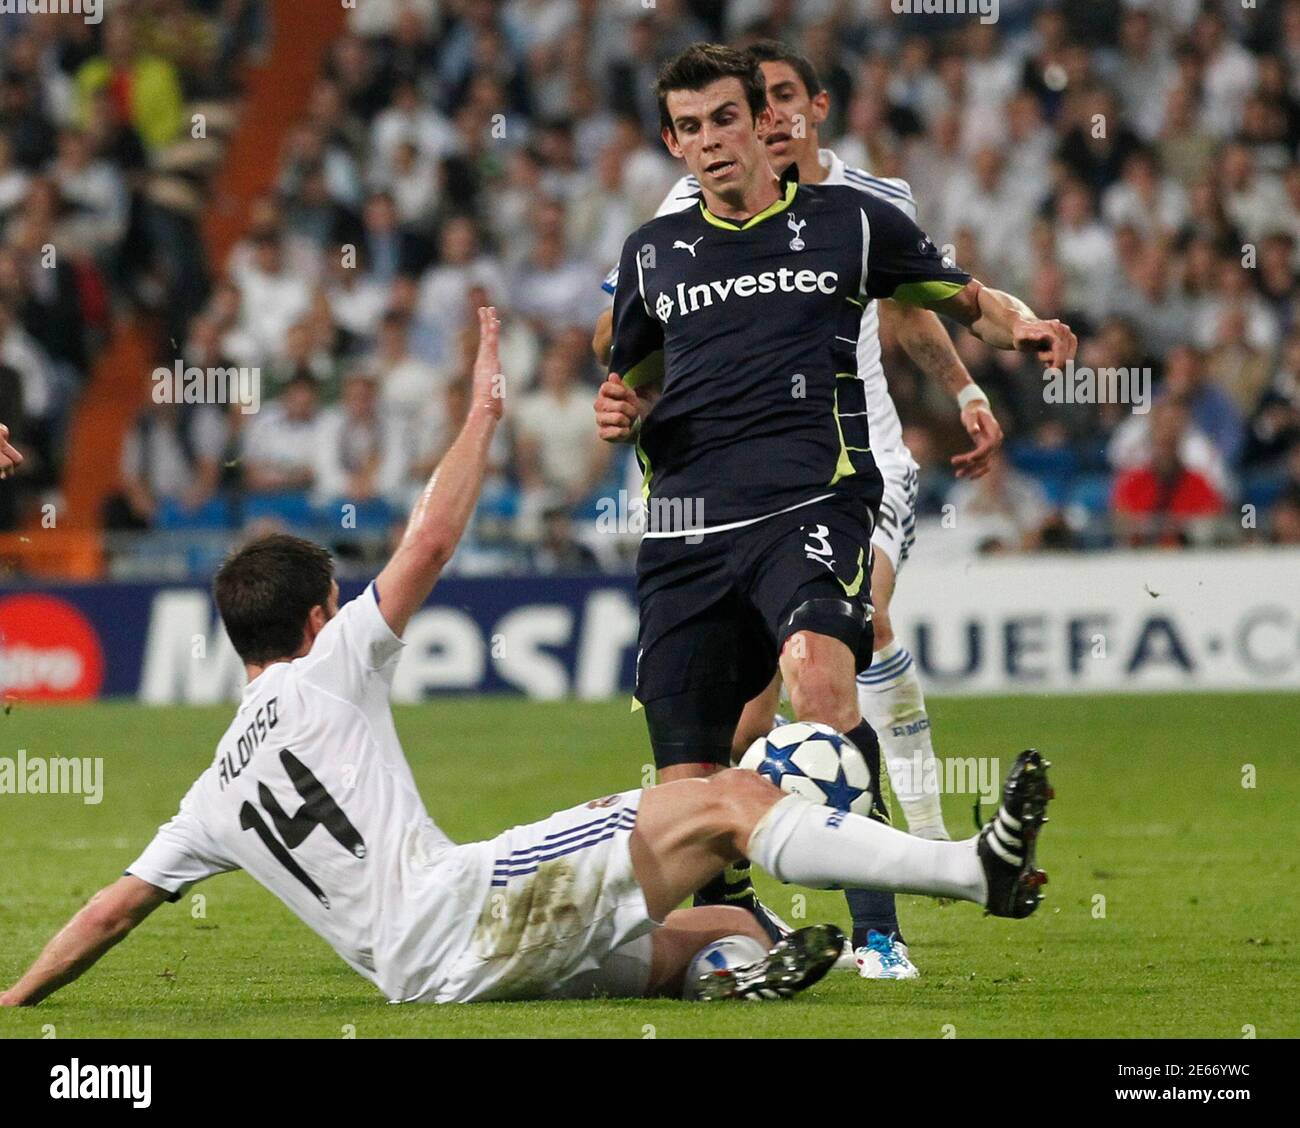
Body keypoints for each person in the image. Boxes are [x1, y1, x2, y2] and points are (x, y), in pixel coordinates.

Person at [0, 314, 1051, 1008]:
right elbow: (428, 542)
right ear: (321, 617)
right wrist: (481, 414)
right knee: (728, 798)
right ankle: (971, 870)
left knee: (721, 921)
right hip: (468, 907)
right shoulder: (333, 668)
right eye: (340, 599)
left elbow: (110, 911)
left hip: (424, 978)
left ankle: (732, 979)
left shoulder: (209, 793)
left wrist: (12, 1001)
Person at [592, 44, 1074, 975]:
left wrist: (1024, 329)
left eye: (726, 119)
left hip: (811, 501)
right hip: (687, 528)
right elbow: (633, 377)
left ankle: (882, 930)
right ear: (673, 143)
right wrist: (615, 410)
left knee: (819, 683)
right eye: (689, 129)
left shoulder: (850, 222)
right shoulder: (652, 249)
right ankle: (735, 940)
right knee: (693, 779)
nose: (712, 142)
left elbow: (959, 298)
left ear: (764, 123)